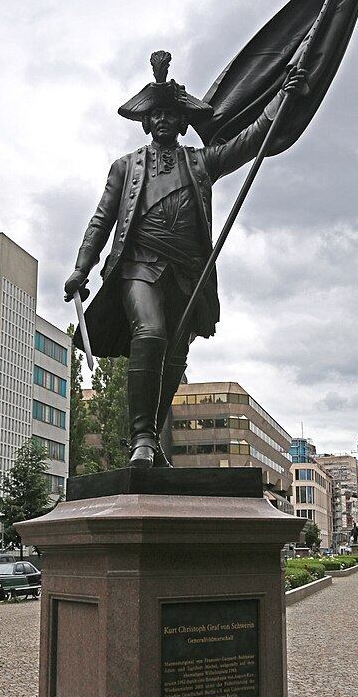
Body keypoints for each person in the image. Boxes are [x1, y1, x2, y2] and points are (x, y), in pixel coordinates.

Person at [64, 51, 308, 467]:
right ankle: (141, 436)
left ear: (181, 122)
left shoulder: (200, 162)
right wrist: (81, 267)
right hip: (139, 264)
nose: (162, 120)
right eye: (156, 113)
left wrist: (282, 98)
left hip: (186, 272)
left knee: (175, 355)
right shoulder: (125, 167)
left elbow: (250, 140)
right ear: (147, 121)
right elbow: (101, 219)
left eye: (171, 114)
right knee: (151, 333)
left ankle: (151, 441)